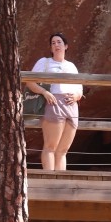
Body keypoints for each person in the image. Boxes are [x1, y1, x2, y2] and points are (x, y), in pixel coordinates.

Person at [26, 32, 83, 171]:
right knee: (50, 146)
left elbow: (80, 88)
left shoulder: (71, 66)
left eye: (59, 42)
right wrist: (44, 92)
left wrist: (76, 96)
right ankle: (48, 178)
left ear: (66, 46)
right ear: (51, 48)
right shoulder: (44, 62)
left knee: (63, 150)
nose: (56, 45)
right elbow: (30, 82)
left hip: (71, 106)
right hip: (53, 103)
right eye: (53, 43)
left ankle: (60, 181)